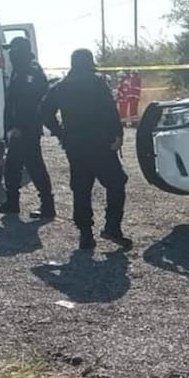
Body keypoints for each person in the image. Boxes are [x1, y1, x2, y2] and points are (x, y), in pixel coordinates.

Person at [40, 48, 131, 251]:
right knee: (117, 182)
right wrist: (118, 135)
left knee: (81, 189)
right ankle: (112, 227)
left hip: (75, 145)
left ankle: (85, 235)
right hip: (100, 143)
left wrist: (60, 132)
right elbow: (110, 111)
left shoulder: (61, 86)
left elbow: (44, 111)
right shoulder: (97, 83)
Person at [0, 37, 54, 219]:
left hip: (26, 129)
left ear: (20, 51)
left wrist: (19, 126)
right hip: (20, 129)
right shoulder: (21, 69)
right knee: (13, 167)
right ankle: (12, 203)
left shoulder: (30, 71)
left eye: (13, 50)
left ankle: (47, 206)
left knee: (35, 167)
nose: (10, 54)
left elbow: (29, 104)